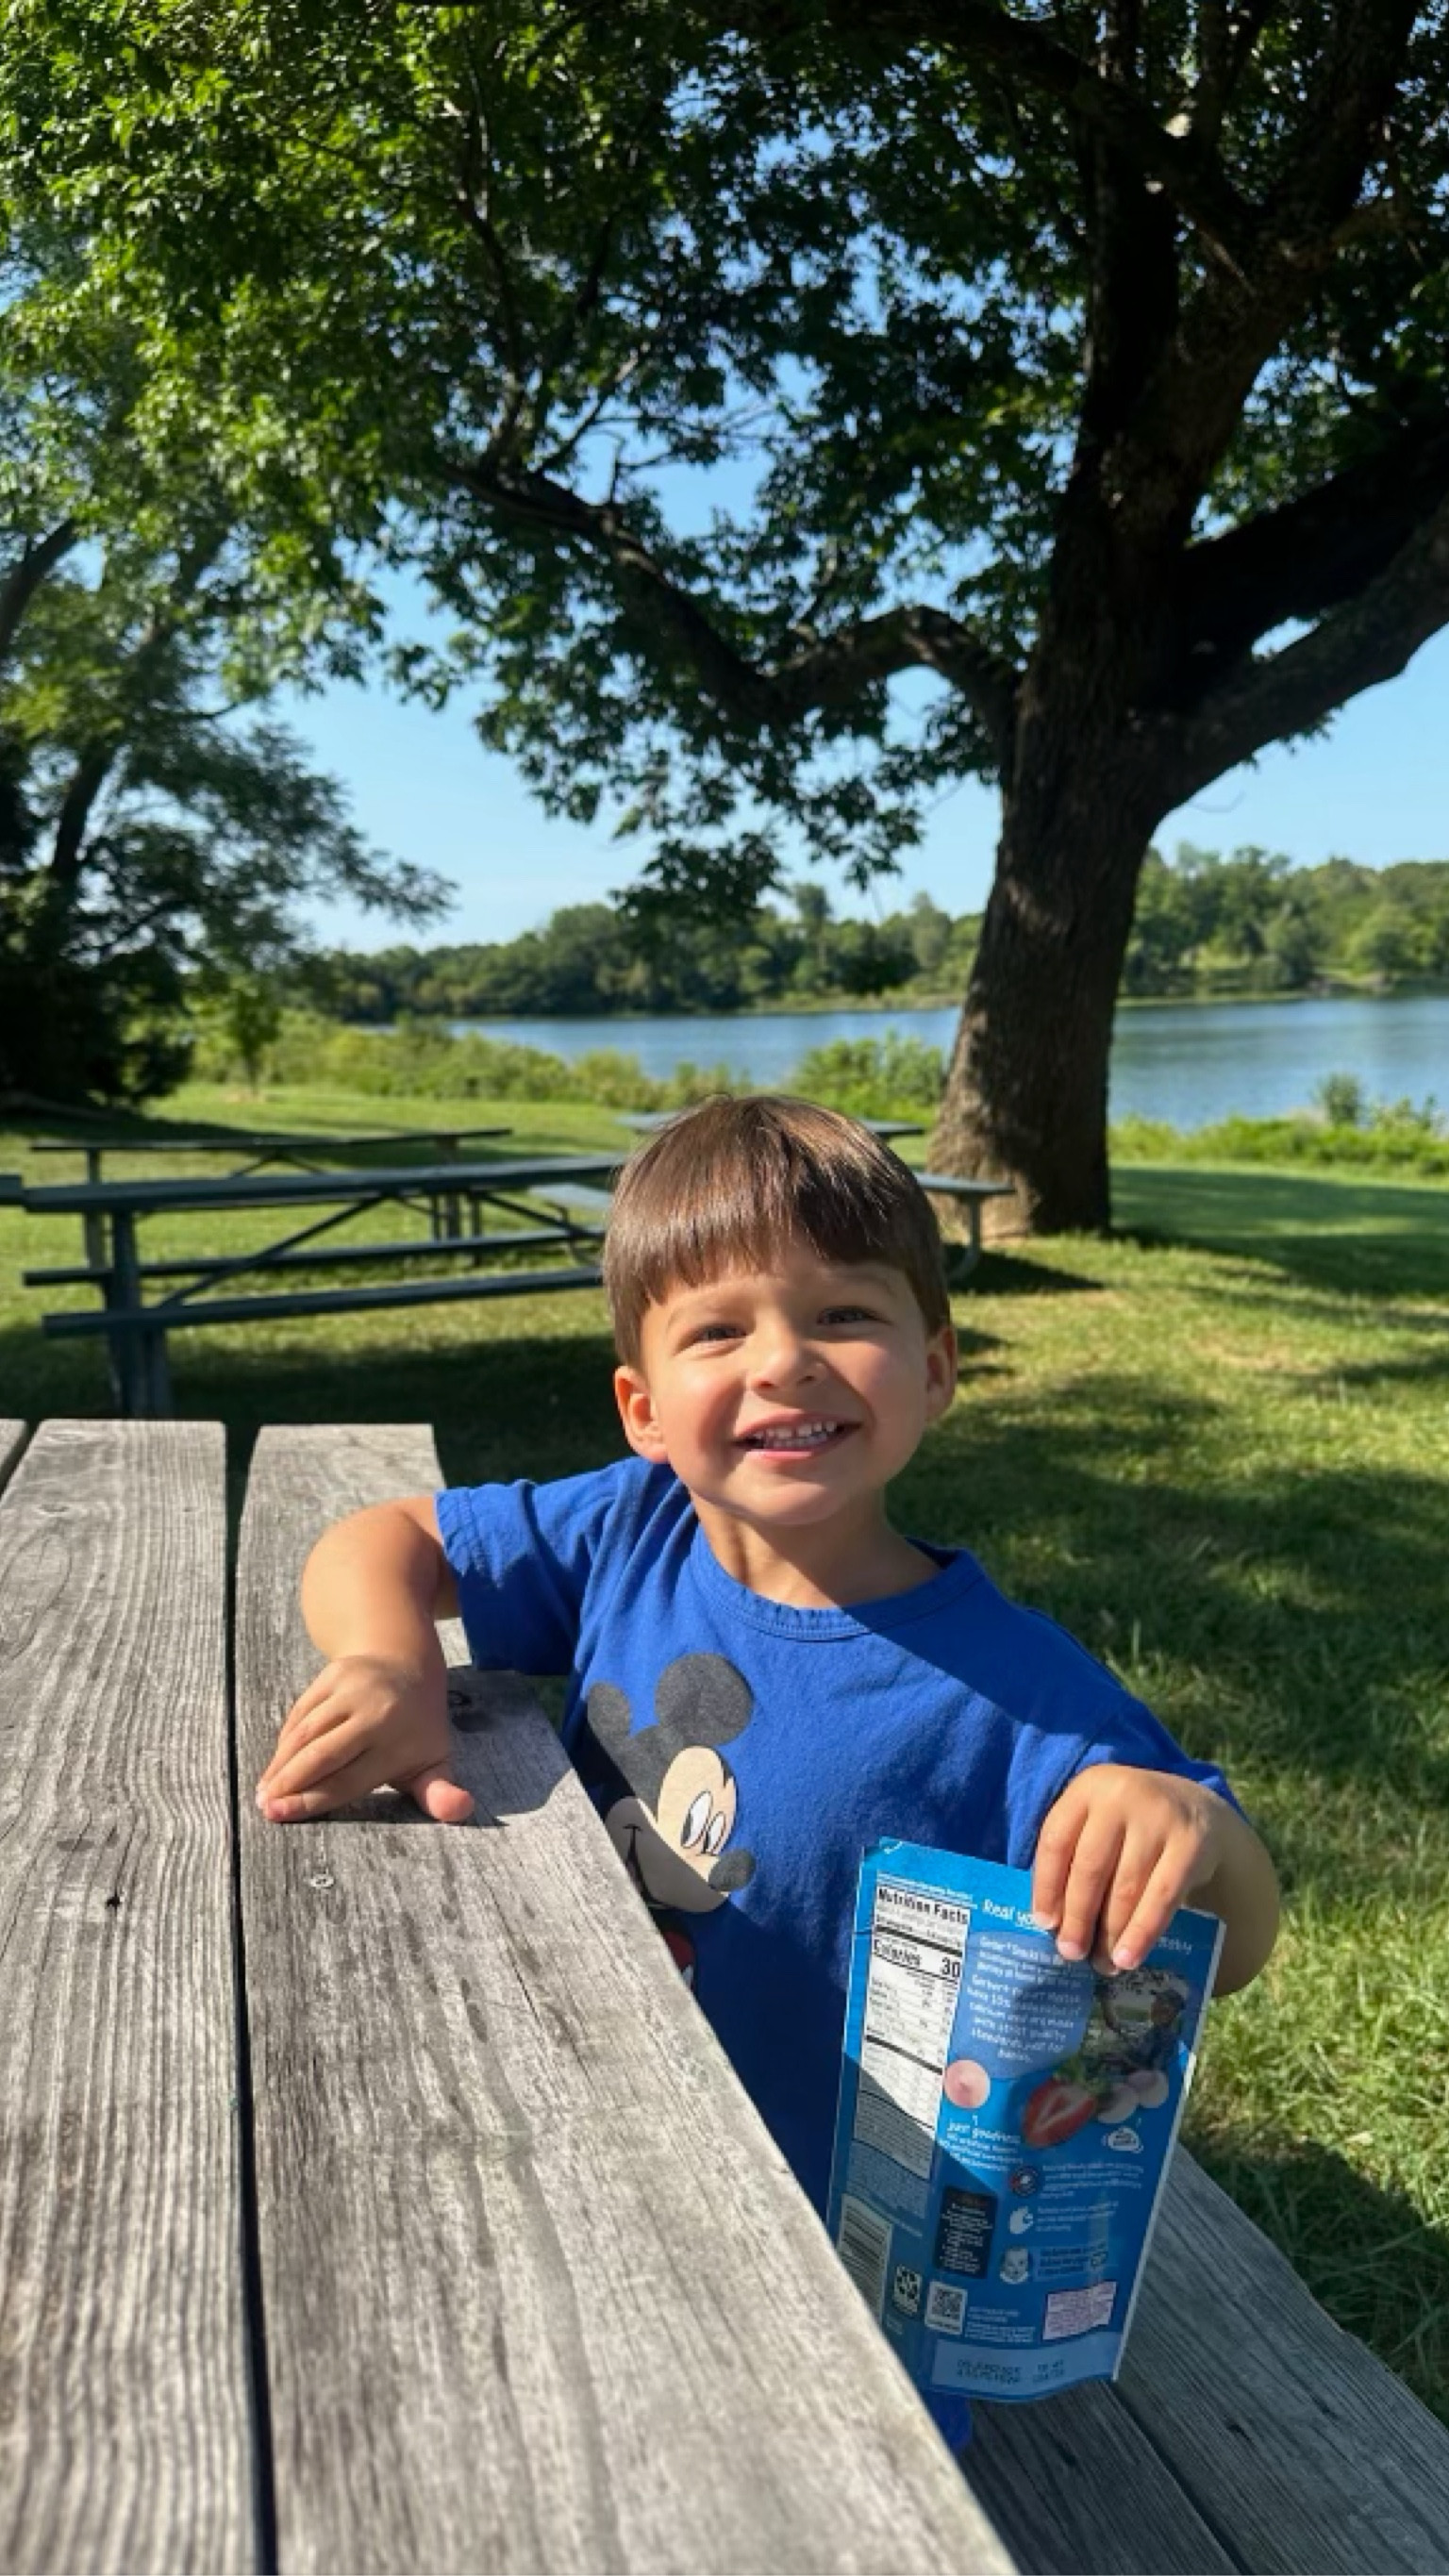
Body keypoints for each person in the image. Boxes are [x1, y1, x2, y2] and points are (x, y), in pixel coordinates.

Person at [255, 1096, 1278, 2439]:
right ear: (643, 1408)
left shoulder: (1016, 1691)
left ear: (936, 1368)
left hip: (841, 2271)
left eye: (845, 1314)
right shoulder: (633, 1529)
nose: (786, 1361)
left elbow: (1229, 1944)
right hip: (586, 2147)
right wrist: (390, 1661)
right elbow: (383, 1539)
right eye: (719, 1331)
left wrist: (1191, 1825)